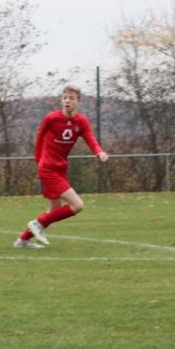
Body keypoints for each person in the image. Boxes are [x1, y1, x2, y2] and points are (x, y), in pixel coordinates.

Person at [14, 84, 109, 249]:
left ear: (79, 101)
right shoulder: (52, 118)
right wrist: (38, 160)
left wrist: (99, 151)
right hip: (47, 168)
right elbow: (40, 136)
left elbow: (90, 138)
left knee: (54, 210)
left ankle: (23, 240)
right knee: (77, 205)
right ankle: (36, 224)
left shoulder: (81, 121)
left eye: (71, 98)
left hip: (61, 168)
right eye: (65, 98)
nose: (67, 101)